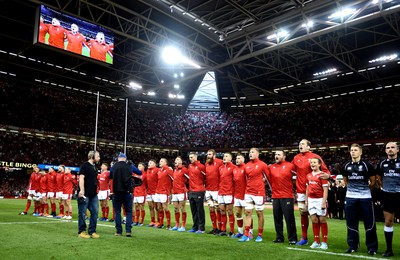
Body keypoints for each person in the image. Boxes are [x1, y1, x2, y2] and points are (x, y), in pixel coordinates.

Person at [292, 139, 330, 246]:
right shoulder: (296, 158)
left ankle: (321, 241)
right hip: (301, 190)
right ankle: (304, 238)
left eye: (303, 144)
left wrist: (327, 176)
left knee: (319, 217)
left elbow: (326, 171)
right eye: (299, 144)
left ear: (309, 147)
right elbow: (290, 169)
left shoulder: (315, 157)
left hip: (316, 192)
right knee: (303, 213)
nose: (300, 145)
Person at [341, 144, 378, 255]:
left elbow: (373, 182)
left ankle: (372, 248)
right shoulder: (346, 165)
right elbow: (345, 181)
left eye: (355, 150)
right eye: (351, 150)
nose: (353, 152)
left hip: (365, 198)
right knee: (351, 222)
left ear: (360, 152)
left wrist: (365, 191)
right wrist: (352, 191)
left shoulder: (367, 165)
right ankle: (353, 246)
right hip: (351, 198)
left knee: (369, 223)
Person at [239, 147, 270, 243]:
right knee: (247, 212)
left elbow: (268, 178)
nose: (250, 153)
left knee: (259, 213)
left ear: (257, 154)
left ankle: (260, 235)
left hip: (259, 192)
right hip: (248, 192)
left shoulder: (262, 165)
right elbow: (245, 179)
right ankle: (246, 234)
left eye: (252, 152)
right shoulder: (246, 166)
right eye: (249, 152)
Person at [267, 151, 297, 244]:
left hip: (287, 195)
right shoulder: (271, 167)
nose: (276, 156)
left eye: (279, 154)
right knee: (277, 218)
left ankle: (292, 238)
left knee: (289, 218)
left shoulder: (290, 166)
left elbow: (297, 177)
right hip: (275, 196)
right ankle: (279, 237)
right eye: (275, 154)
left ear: (284, 156)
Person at [377, 142, 400, 257]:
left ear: (397, 150)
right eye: (388, 148)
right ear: (385, 151)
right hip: (387, 195)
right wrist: (383, 187)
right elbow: (378, 177)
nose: (390, 149)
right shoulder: (382, 163)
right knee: (388, 221)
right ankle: (389, 249)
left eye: (392, 147)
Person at [110, 152, 141, 237]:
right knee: (128, 212)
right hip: (127, 192)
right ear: (125, 158)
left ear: (118, 158)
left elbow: (110, 175)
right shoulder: (129, 166)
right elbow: (139, 173)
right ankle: (128, 231)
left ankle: (119, 231)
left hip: (117, 192)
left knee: (117, 212)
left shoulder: (114, 166)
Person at [306, 158, 329, 250]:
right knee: (314, 220)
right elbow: (307, 189)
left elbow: (325, 190)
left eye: (314, 162)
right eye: (311, 162)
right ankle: (316, 241)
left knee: (322, 220)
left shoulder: (322, 175)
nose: (312, 164)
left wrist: (324, 202)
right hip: (311, 200)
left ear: (319, 164)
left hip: (320, 200)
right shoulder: (308, 175)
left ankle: (324, 242)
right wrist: (307, 201)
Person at [77, 150, 100, 239]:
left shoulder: (95, 167)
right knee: (82, 213)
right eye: (98, 156)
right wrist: (82, 190)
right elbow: (81, 178)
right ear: (92, 156)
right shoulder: (85, 166)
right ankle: (82, 231)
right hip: (85, 193)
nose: (99, 158)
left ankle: (92, 231)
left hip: (93, 194)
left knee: (95, 212)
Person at [205, 149, 224, 234]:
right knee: (211, 209)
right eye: (207, 154)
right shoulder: (206, 164)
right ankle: (214, 228)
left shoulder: (220, 162)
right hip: (208, 189)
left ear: (214, 155)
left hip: (217, 189)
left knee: (218, 209)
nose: (208, 156)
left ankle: (220, 228)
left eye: (210, 154)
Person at [187, 152, 206, 234]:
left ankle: (201, 228)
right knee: (193, 210)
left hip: (199, 191)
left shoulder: (201, 166)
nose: (190, 159)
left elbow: (206, 177)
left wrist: (201, 185)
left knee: (200, 210)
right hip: (191, 191)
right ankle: (195, 226)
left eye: (191, 157)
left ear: (196, 157)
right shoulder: (189, 166)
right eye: (189, 157)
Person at [218, 152, 236, 237]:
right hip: (221, 192)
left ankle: (232, 231)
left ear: (230, 158)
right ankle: (223, 230)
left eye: (226, 156)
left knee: (229, 211)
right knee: (222, 211)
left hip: (229, 192)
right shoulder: (220, 168)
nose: (224, 157)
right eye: (223, 156)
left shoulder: (233, 167)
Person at [170, 156, 189, 232]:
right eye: (175, 159)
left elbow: (190, 179)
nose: (175, 160)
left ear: (181, 162)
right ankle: (177, 225)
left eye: (177, 159)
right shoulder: (175, 170)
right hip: (174, 192)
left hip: (181, 191)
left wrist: (186, 187)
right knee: (175, 209)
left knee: (182, 208)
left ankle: (183, 226)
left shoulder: (184, 170)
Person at [154, 158, 173, 229]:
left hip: (164, 191)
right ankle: (161, 223)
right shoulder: (159, 170)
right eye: (159, 161)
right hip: (158, 191)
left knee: (165, 208)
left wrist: (171, 190)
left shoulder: (168, 170)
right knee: (159, 208)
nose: (160, 162)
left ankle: (169, 224)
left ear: (166, 163)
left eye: (161, 161)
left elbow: (173, 179)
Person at [232, 153, 247, 238]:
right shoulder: (234, 169)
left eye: (239, 158)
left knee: (247, 214)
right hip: (237, 194)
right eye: (236, 158)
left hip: (245, 194)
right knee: (238, 213)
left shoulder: (246, 168)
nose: (237, 160)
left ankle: (250, 232)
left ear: (243, 159)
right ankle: (240, 231)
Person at [133, 162, 147, 227]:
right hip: (135, 192)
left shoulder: (144, 174)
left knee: (141, 207)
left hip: (141, 192)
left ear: (143, 167)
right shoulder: (135, 174)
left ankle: (141, 221)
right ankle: (136, 221)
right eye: (138, 166)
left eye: (140, 166)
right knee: (136, 207)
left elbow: (143, 181)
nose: (139, 167)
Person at [146, 159, 159, 227]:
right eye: (148, 163)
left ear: (154, 164)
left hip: (155, 192)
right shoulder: (147, 171)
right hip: (149, 192)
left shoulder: (157, 170)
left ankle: (158, 221)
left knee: (157, 207)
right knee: (150, 207)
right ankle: (152, 221)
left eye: (150, 163)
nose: (149, 164)